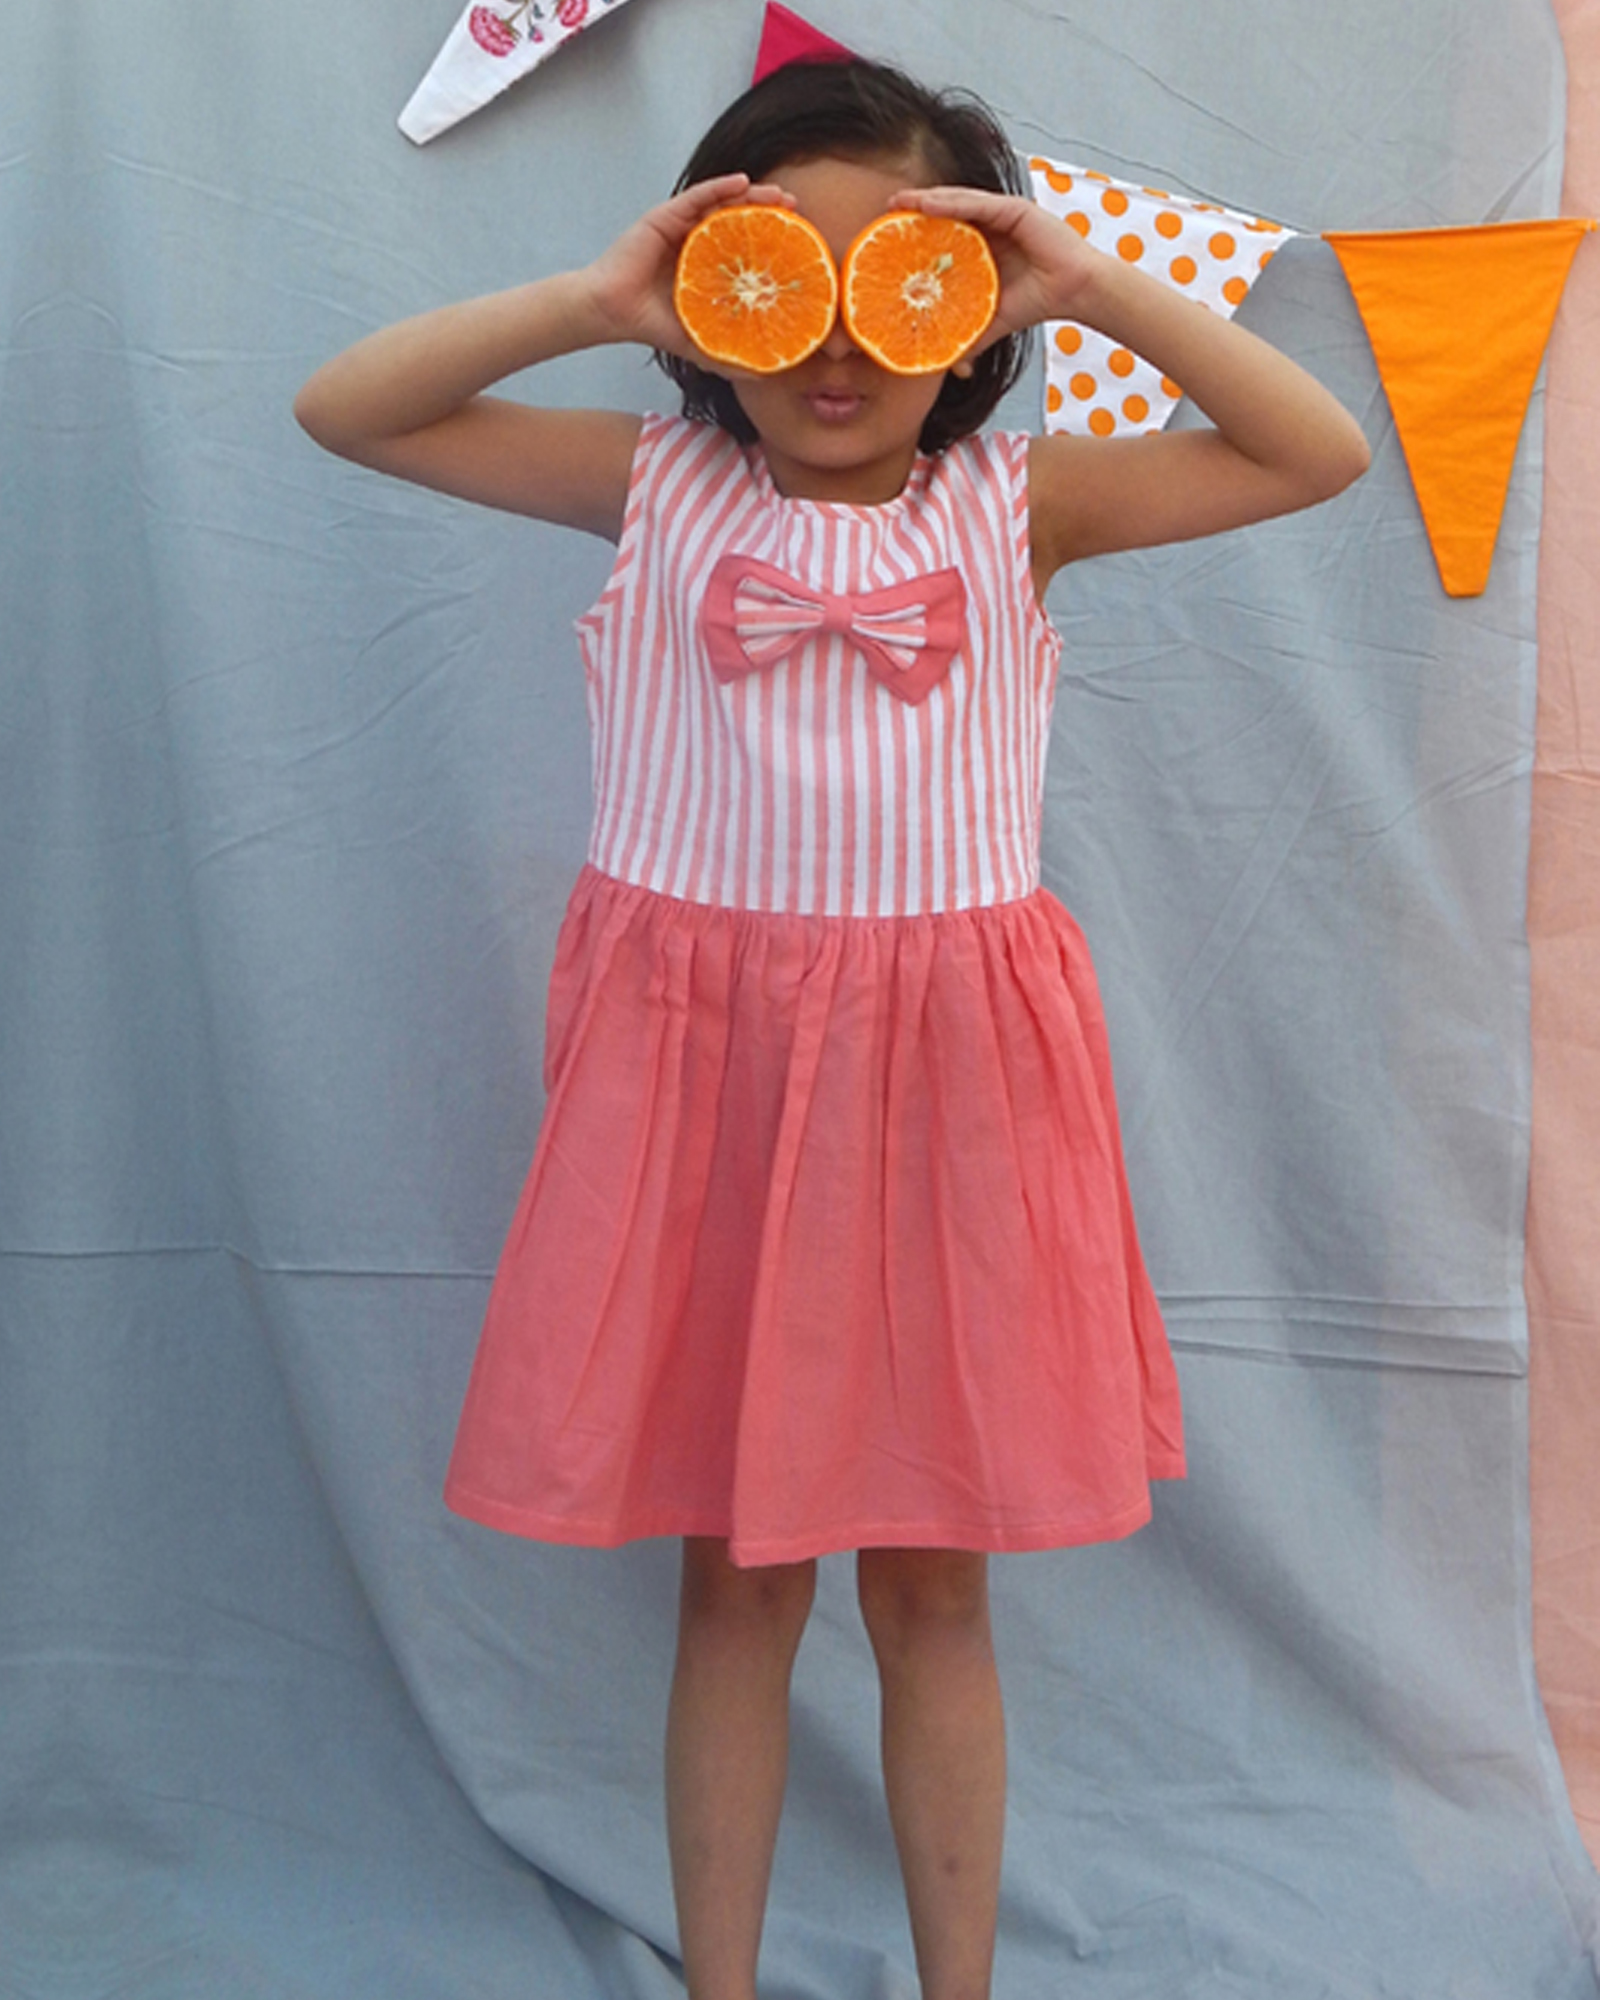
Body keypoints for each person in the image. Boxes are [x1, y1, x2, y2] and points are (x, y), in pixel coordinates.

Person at [294, 54, 1368, 2000]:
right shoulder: (652, 488)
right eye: (792, 275)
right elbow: (340, 407)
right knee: (735, 1575)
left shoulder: (1013, 509)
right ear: (716, 294)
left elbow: (1316, 454)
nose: (847, 333)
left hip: (947, 1095)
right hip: (703, 1090)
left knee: (933, 1581)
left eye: (910, 279)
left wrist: (1095, 284)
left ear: (972, 314)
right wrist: (594, 299)